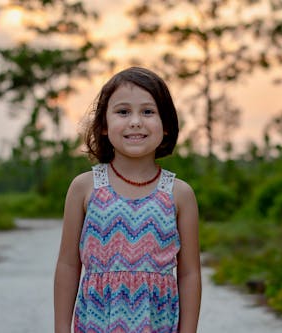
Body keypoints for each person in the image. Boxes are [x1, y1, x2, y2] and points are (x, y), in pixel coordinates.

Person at [54, 66, 201, 333]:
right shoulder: (84, 188)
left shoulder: (179, 194)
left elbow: (190, 274)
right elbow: (67, 264)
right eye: (123, 112)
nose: (135, 121)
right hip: (95, 324)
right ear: (103, 126)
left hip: (156, 326)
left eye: (148, 112)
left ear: (166, 126)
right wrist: (61, 328)